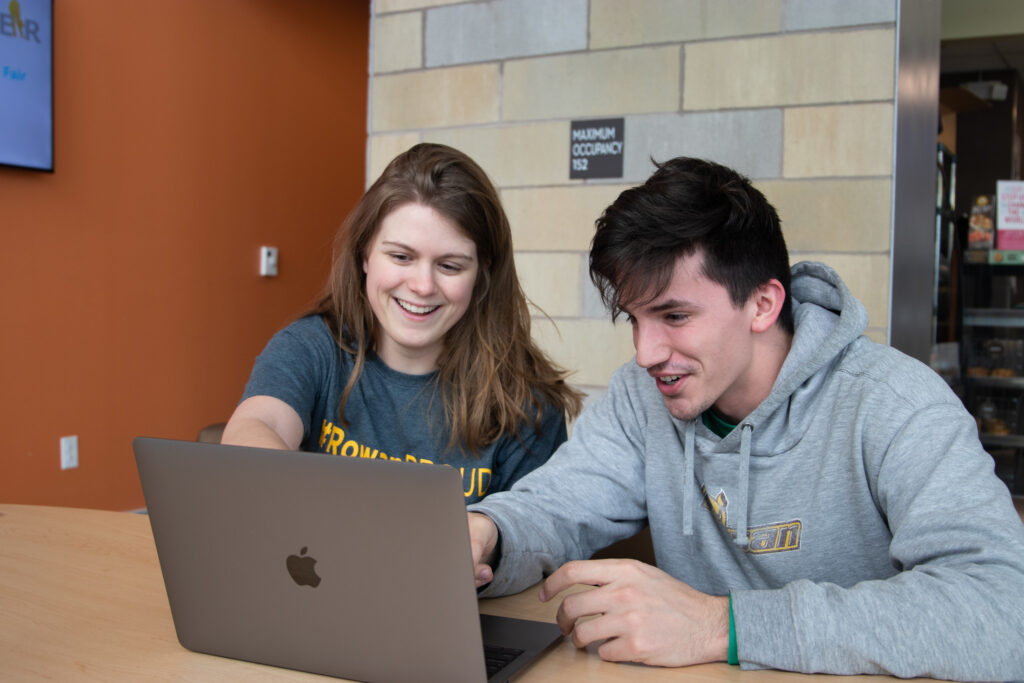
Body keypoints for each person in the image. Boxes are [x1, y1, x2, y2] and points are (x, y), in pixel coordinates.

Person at [467, 156, 1024, 679]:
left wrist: (724, 626)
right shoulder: (641, 395)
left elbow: (1003, 612)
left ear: (763, 304)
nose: (645, 352)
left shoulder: (894, 404)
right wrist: (488, 535)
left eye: (674, 315)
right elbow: (559, 504)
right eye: (635, 319)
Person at [222, 143, 582, 503]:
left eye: (450, 266)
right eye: (401, 256)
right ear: (365, 254)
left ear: (482, 274)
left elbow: (535, 534)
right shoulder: (311, 348)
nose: (422, 286)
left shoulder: (527, 403)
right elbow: (257, 426)